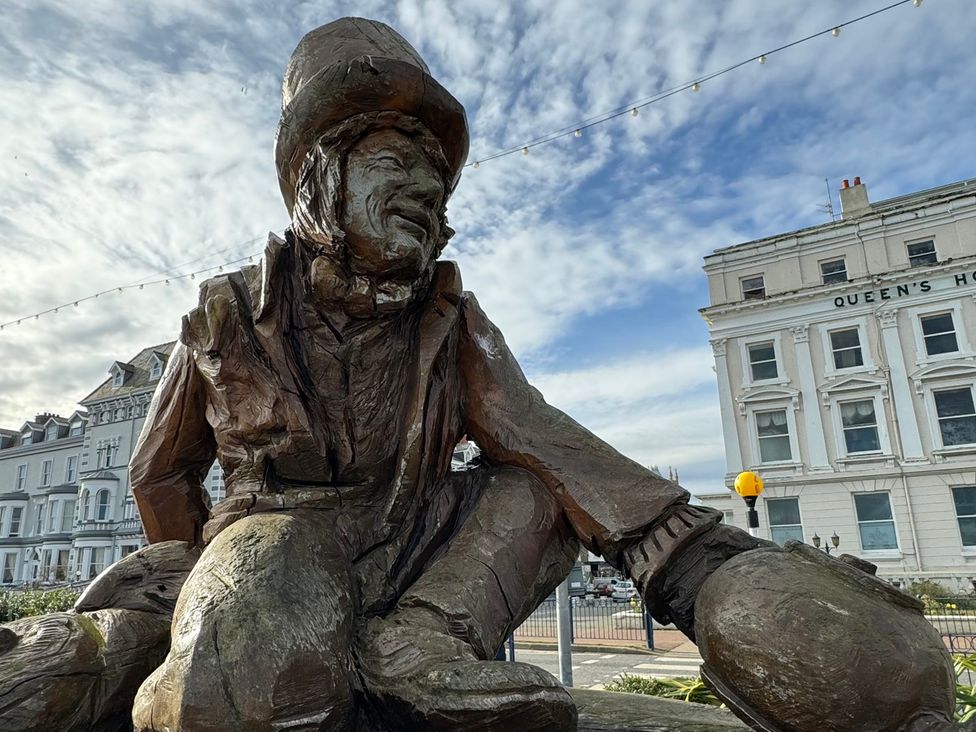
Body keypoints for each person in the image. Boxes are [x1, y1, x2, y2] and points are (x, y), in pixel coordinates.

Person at [127, 17, 957, 732]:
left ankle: (418, 645)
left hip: (414, 559)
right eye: (394, 158)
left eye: (437, 172)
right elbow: (160, 473)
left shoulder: (451, 319)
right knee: (255, 649)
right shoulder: (224, 314)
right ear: (318, 176)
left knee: (534, 490)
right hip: (277, 542)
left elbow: (534, 430)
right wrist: (199, 576)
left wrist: (697, 560)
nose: (427, 188)